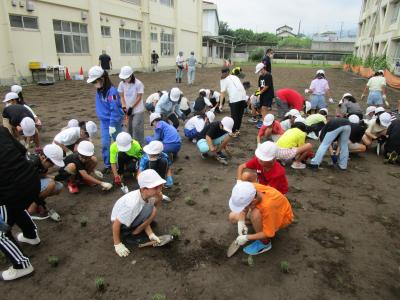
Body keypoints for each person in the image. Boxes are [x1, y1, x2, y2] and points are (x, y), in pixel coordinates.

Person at [0, 126, 41, 280]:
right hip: (31, 179)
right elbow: (22, 150)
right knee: (14, 207)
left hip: (11, 190)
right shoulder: (1, 129)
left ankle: (22, 266)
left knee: (0, 229)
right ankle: (31, 235)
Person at [111, 169, 166, 258]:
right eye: (156, 187)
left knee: (152, 209)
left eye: (160, 186)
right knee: (152, 210)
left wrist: (150, 234)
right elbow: (116, 224)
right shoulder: (132, 205)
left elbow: (148, 208)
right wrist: (117, 244)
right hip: (122, 225)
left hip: (130, 216)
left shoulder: (146, 196)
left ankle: (141, 227)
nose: (160, 189)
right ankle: (133, 233)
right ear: (144, 189)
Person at [228, 181, 293, 255]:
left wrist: (246, 237)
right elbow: (244, 208)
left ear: (253, 201)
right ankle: (257, 225)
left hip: (282, 218)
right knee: (232, 217)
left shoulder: (268, 207)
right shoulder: (249, 189)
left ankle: (265, 243)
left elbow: (268, 233)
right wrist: (241, 222)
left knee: (255, 215)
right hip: (264, 211)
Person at [87, 66, 124, 174]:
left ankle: (122, 162)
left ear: (102, 79)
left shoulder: (112, 92)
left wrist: (112, 124)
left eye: (95, 81)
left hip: (114, 121)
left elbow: (115, 109)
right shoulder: (100, 90)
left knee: (120, 143)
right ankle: (108, 164)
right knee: (105, 144)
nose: (94, 84)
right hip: (104, 122)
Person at [26, 144, 65, 221]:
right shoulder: (32, 163)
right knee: (51, 184)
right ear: (44, 158)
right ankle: (29, 209)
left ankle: (35, 203)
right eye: (52, 163)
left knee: (58, 186)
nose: (52, 166)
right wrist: (38, 203)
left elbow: (41, 176)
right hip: (19, 188)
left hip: (30, 184)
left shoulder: (41, 163)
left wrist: (57, 177)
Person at [118, 66, 145, 145]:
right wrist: (123, 106)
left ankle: (139, 145)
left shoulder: (138, 83)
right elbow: (122, 96)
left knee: (136, 127)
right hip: (128, 109)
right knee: (129, 128)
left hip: (138, 109)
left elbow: (139, 97)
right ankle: (130, 145)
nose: (125, 80)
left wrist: (131, 107)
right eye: (123, 78)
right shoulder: (122, 84)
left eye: (126, 78)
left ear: (131, 75)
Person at [220, 67, 247, 137]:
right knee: (239, 116)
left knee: (234, 117)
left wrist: (220, 105)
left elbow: (222, 93)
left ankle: (234, 131)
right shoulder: (235, 77)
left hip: (235, 99)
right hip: (243, 97)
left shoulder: (223, 80)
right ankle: (237, 130)